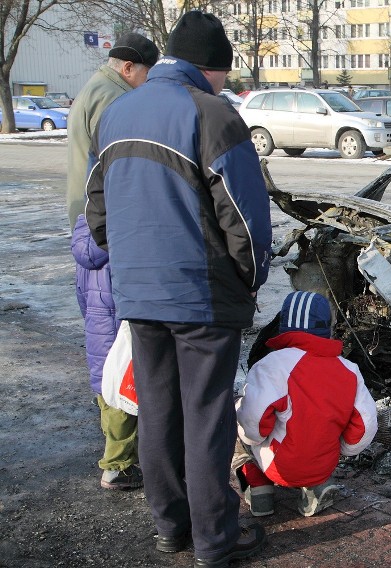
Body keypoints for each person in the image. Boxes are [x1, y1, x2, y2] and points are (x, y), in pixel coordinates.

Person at [85, 11, 273, 567]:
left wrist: (132, 261)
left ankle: (171, 528)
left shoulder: (118, 110)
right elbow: (244, 218)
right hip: (201, 295)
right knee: (206, 417)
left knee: (159, 411)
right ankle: (215, 540)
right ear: (210, 69)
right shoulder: (213, 115)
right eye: (223, 74)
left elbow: (98, 213)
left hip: (138, 294)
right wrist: (250, 277)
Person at [67, 32, 159, 491]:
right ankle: (119, 463)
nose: (146, 84)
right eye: (146, 74)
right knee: (126, 371)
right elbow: (120, 167)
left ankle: (117, 455)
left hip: (91, 247)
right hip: (114, 257)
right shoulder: (114, 101)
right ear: (131, 67)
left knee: (106, 366)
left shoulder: (92, 88)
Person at [234, 291, 378, 518]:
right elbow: (364, 428)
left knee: (235, 419)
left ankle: (257, 484)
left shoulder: (270, 366)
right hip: (323, 464)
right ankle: (315, 485)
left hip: (279, 466)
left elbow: (252, 426)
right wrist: (342, 450)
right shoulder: (350, 370)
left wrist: (245, 431)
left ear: (283, 324)